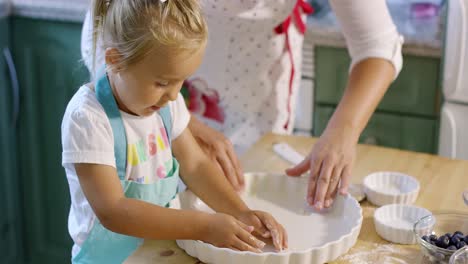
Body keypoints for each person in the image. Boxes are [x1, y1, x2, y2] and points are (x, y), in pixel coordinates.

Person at [81, 0, 403, 211]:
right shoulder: (91, 118)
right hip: (156, 104)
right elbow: (105, 40)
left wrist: (342, 131)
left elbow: (377, 44)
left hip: (261, 104)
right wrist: (182, 122)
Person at [62, 1, 287, 263]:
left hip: (160, 252)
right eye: (162, 82)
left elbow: (196, 165)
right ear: (115, 61)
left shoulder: (166, 105)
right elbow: (113, 210)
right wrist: (204, 226)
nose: (173, 94)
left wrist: (241, 214)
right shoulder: (88, 119)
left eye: (181, 81)